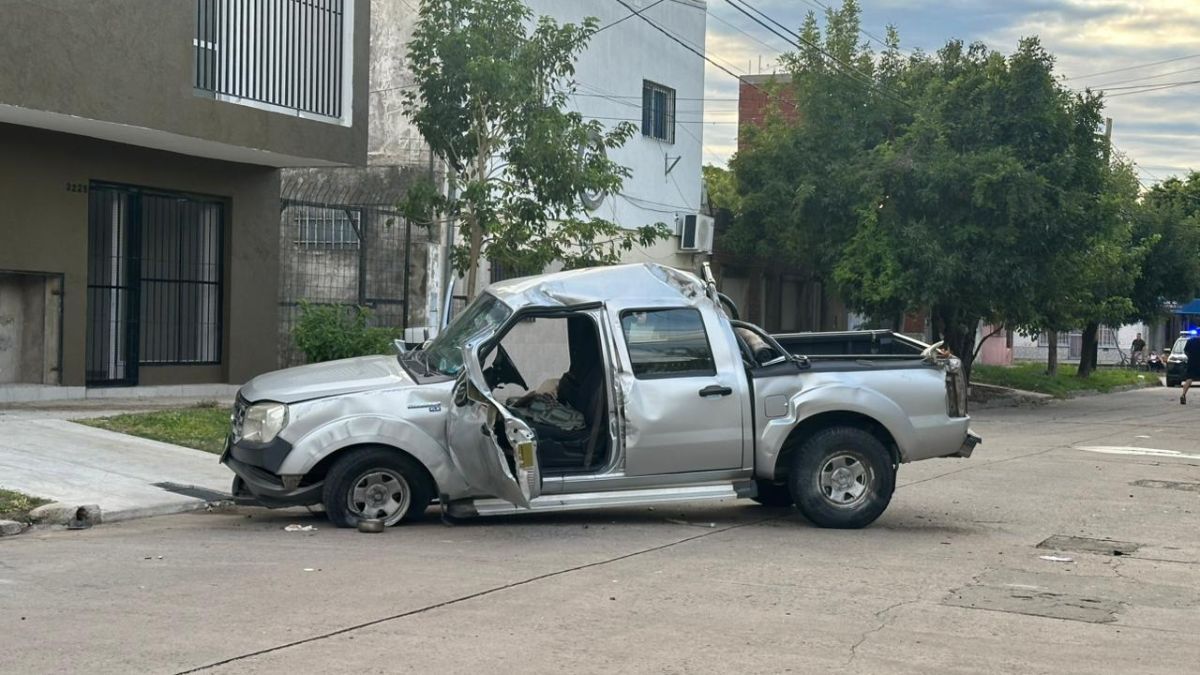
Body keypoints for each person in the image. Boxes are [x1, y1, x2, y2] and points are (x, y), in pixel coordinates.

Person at [1181, 334, 1200, 405]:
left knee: (1189, 379)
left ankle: (1183, 394)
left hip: (1191, 362)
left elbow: (1185, 351)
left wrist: (1190, 357)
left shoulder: (1190, 341)